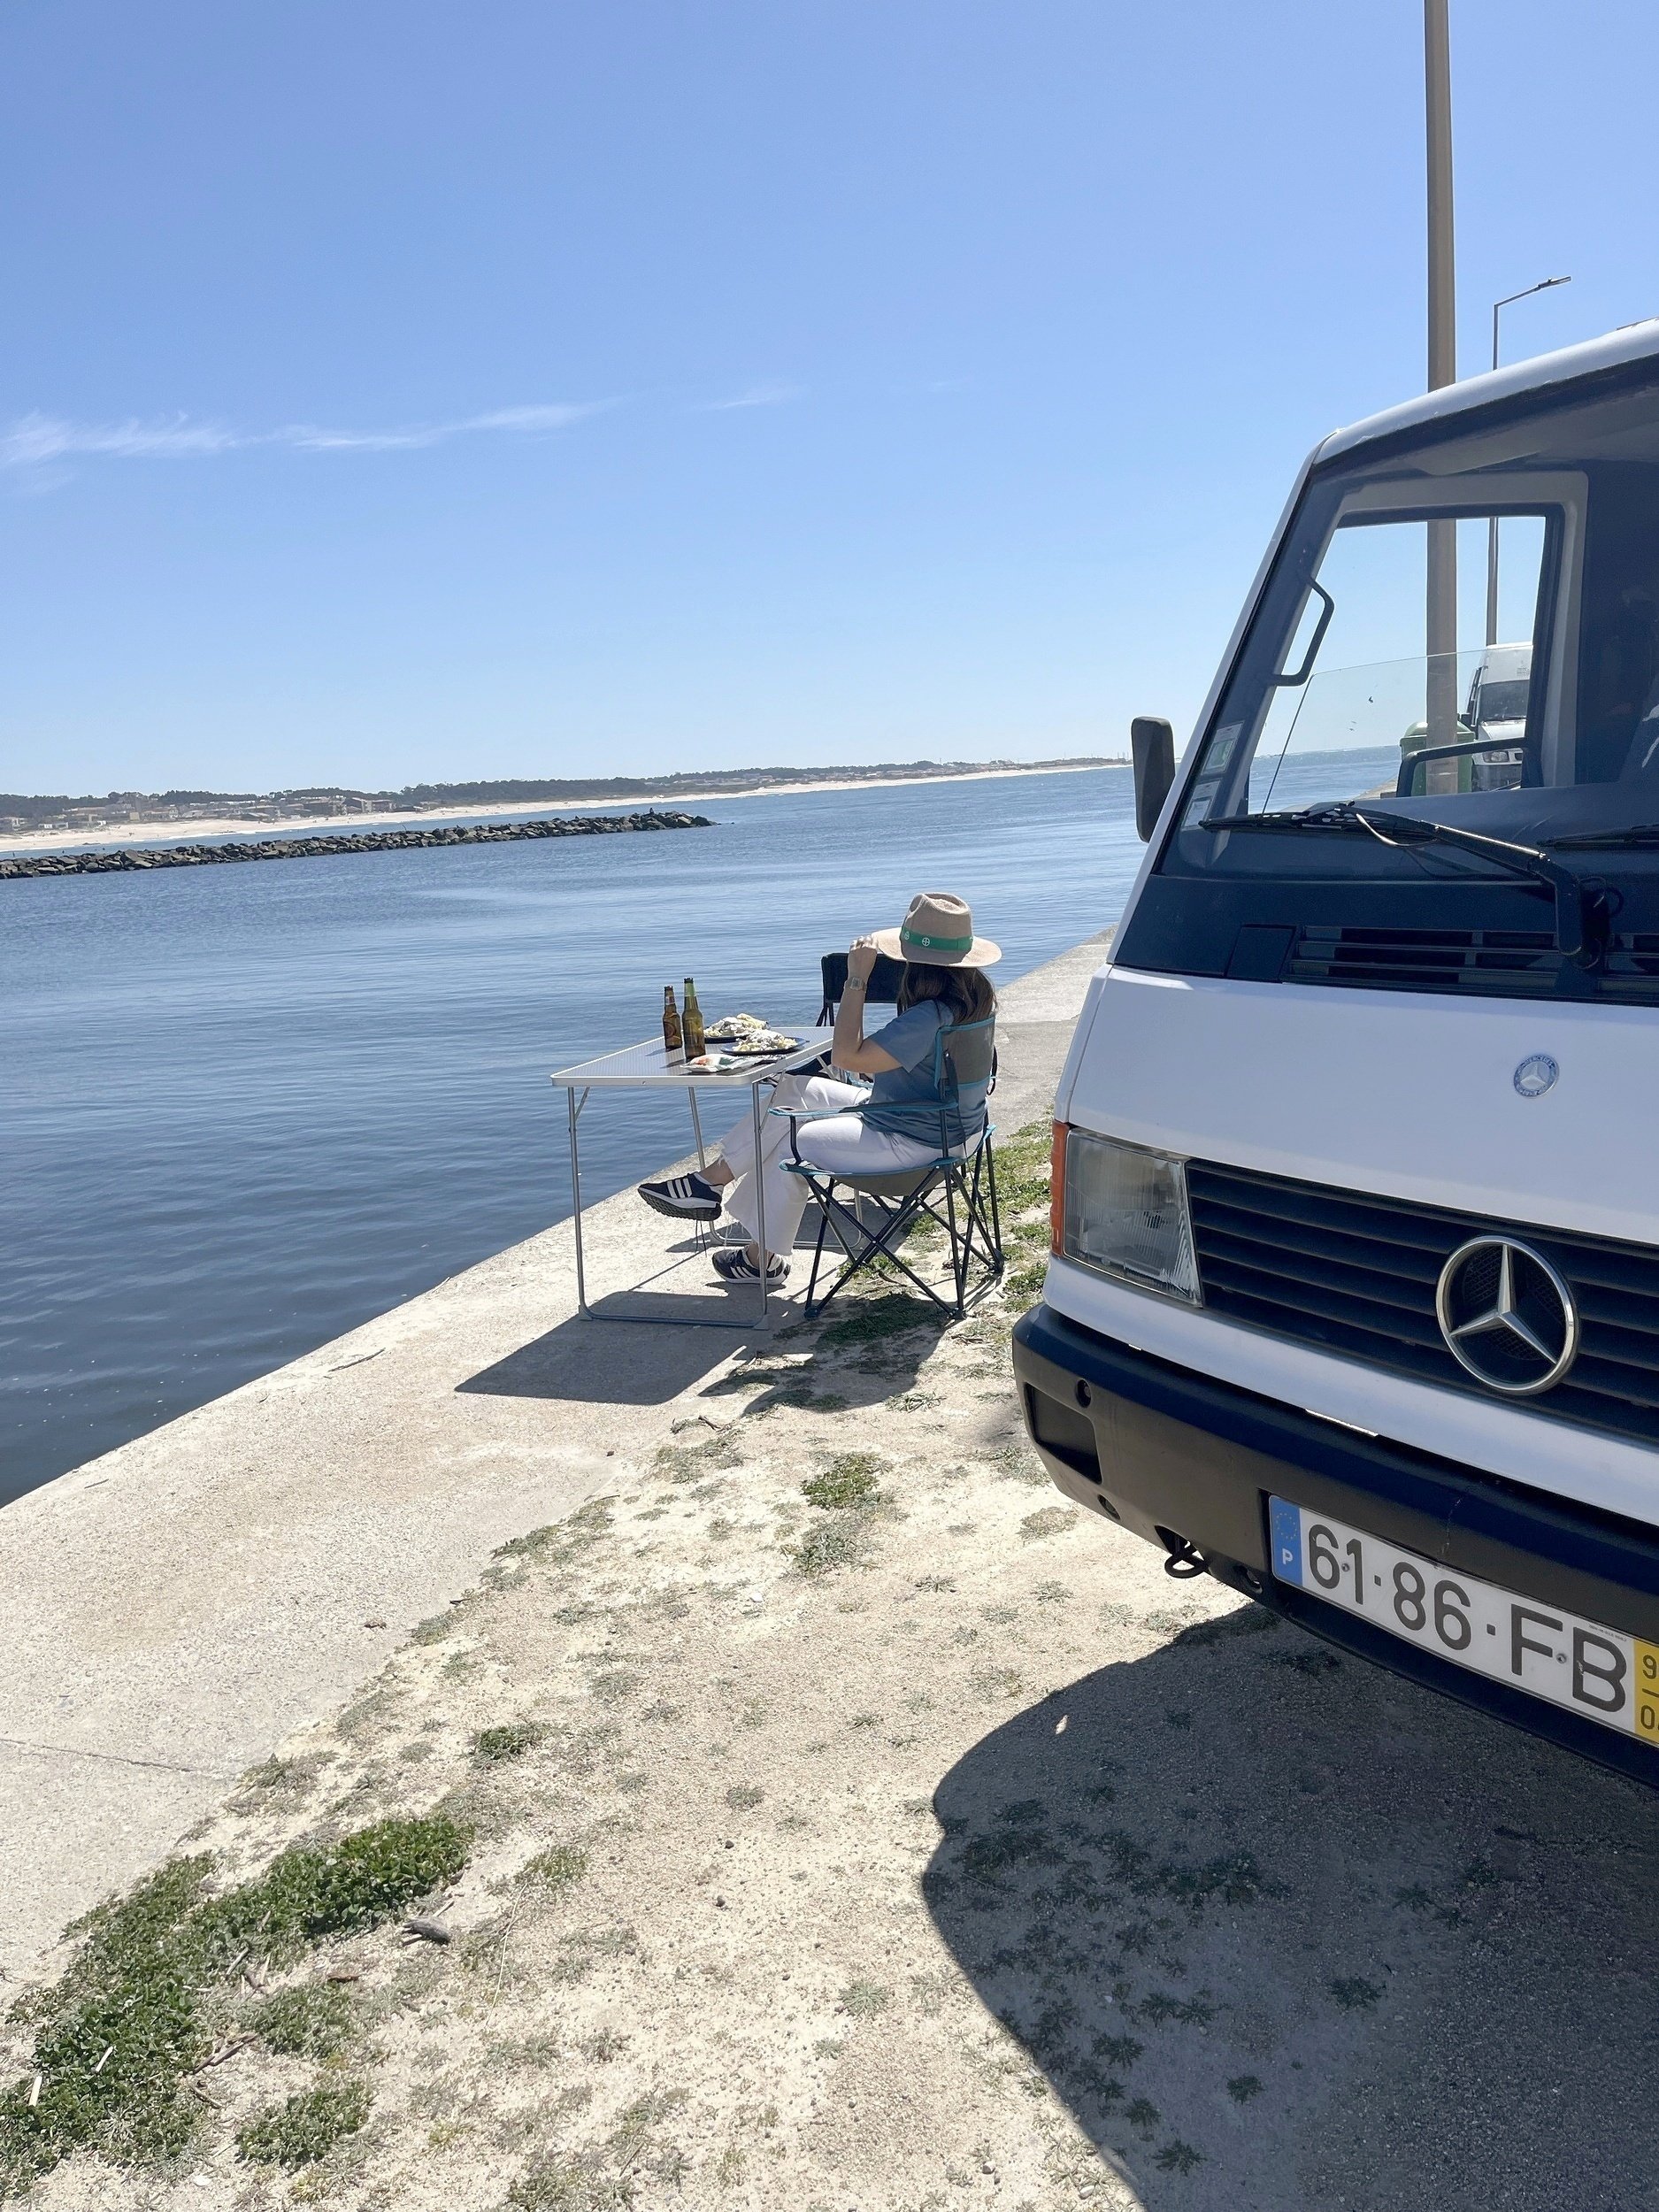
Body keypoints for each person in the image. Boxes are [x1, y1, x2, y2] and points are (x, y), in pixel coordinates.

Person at [638, 891, 1001, 1283]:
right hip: (948, 1127)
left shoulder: (928, 1016)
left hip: (914, 1141)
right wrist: (887, 1070)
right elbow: (930, 1067)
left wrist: (856, 979)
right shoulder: (976, 1001)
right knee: (795, 1089)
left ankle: (760, 1261)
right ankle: (708, 1183)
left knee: (792, 1140)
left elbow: (844, 1056)